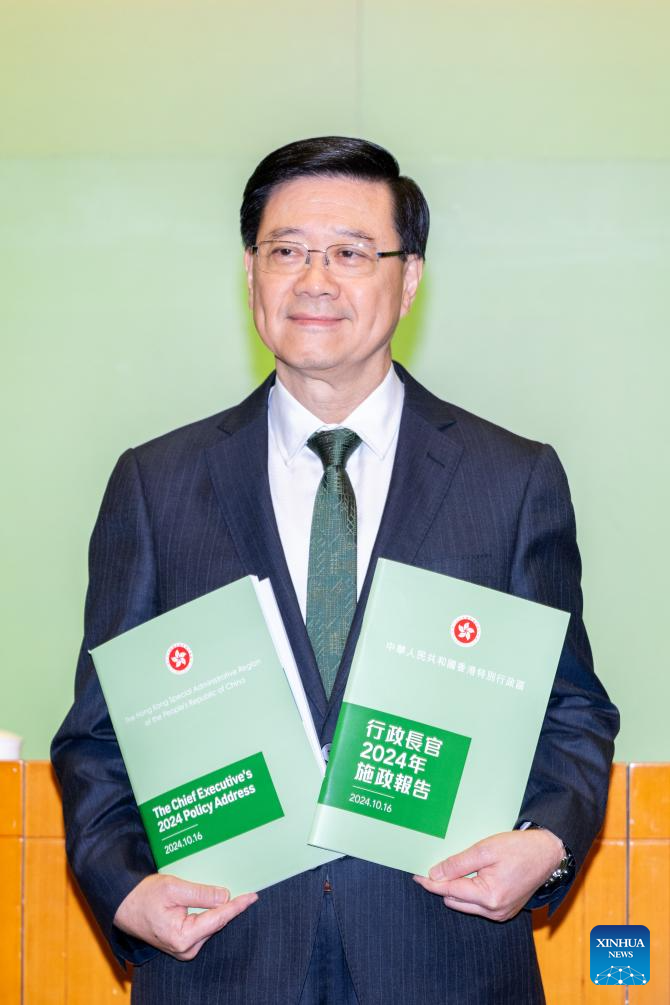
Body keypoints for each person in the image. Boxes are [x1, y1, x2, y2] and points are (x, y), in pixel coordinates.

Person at [52, 136, 619, 1004]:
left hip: (446, 957)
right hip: (222, 964)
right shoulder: (155, 485)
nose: (314, 280)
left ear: (409, 277)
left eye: (351, 253)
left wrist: (546, 843)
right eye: (286, 251)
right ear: (251, 273)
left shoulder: (512, 479)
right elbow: (97, 735)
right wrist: (124, 888)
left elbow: (573, 709)